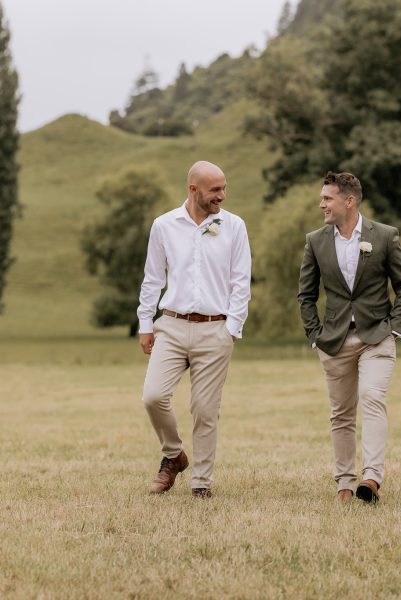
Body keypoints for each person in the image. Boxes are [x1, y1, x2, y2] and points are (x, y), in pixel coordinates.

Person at [298, 171, 401, 504]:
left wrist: (395, 326)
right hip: (333, 340)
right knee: (341, 414)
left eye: (327, 198)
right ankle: (345, 484)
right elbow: (305, 295)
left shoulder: (385, 236)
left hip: (377, 336)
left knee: (373, 397)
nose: (322, 203)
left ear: (349, 201)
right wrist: (315, 335)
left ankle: (372, 478)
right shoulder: (315, 241)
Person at [137, 160, 251, 497]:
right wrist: (146, 324)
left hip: (215, 329)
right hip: (171, 326)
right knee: (153, 396)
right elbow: (153, 278)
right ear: (193, 190)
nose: (222, 196)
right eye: (215, 190)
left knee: (204, 409)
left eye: (224, 188)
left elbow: (241, 281)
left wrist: (232, 328)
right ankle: (173, 455)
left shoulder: (234, 226)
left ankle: (202, 484)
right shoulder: (164, 225)